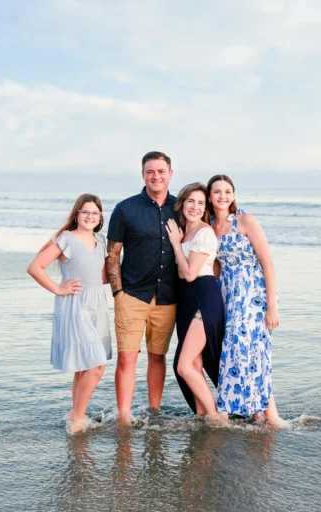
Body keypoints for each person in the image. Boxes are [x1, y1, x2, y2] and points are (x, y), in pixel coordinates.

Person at [27, 194, 111, 433]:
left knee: (85, 366)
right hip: (76, 306)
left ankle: (75, 413)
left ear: (100, 217)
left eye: (95, 213)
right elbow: (35, 267)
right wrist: (59, 288)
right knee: (97, 365)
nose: (90, 216)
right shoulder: (66, 239)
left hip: (99, 306)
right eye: (85, 212)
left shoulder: (101, 240)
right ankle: (77, 418)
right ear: (76, 214)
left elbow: (102, 277)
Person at [207, 174, 287, 428]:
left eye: (227, 191)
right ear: (209, 196)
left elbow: (267, 263)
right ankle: (255, 412)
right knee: (237, 351)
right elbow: (215, 267)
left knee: (255, 350)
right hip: (227, 294)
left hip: (252, 294)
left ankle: (269, 414)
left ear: (233, 195)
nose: (222, 196)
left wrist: (272, 307)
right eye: (217, 191)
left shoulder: (245, 221)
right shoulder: (208, 226)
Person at [106, 151, 178, 424]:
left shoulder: (181, 208)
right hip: (132, 295)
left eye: (161, 171)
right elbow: (113, 254)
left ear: (170, 174)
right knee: (127, 358)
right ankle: (123, 416)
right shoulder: (125, 209)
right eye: (150, 171)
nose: (156, 176)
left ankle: (153, 411)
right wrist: (118, 292)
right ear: (143, 175)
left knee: (157, 356)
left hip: (169, 297)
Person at [165, 183, 226, 422]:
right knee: (194, 364)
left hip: (204, 296)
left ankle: (217, 418)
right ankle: (202, 417)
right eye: (191, 201)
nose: (195, 207)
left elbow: (190, 273)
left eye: (201, 203)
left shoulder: (204, 233)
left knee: (183, 366)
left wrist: (175, 244)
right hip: (187, 299)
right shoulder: (183, 230)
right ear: (182, 203)